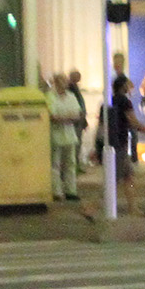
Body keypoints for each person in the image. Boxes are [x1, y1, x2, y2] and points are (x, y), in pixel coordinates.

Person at [105, 72, 143, 218]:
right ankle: (90, 207)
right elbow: (132, 121)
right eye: (128, 84)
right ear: (124, 86)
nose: (131, 87)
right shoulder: (125, 101)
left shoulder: (111, 99)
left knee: (128, 178)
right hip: (120, 143)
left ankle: (133, 208)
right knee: (113, 180)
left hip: (114, 141)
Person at [45, 70, 87, 199]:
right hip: (55, 135)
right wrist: (68, 117)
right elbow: (52, 116)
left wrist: (63, 117)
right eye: (62, 81)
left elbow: (77, 115)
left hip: (69, 135)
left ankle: (71, 191)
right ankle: (56, 191)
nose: (65, 83)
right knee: (55, 164)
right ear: (56, 83)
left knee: (70, 163)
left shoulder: (70, 96)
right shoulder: (50, 96)